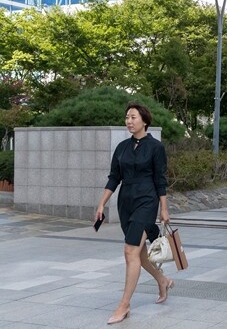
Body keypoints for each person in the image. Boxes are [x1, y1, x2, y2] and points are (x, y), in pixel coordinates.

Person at [95, 102, 173, 325]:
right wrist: (102, 204)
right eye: (127, 117)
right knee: (138, 254)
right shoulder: (121, 147)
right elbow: (113, 177)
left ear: (144, 120)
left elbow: (160, 180)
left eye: (133, 117)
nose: (129, 121)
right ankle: (162, 280)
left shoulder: (156, 147)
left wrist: (164, 208)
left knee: (130, 251)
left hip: (147, 202)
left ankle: (124, 305)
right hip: (126, 202)